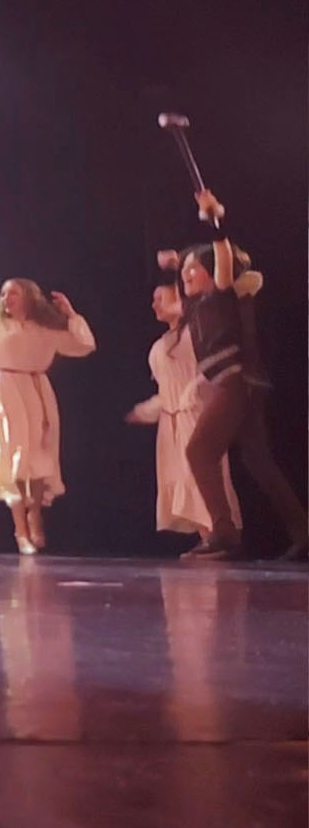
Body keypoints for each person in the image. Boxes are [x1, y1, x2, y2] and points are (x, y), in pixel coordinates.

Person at [173, 189, 305, 560]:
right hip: (239, 383)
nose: (186, 275)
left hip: (234, 382)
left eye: (192, 269)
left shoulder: (220, 292)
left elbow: (223, 256)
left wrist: (214, 219)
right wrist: (175, 260)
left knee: (199, 451)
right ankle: (303, 529)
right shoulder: (198, 305)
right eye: (183, 271)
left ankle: (224, 532)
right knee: (258, 460)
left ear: (211, 270)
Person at [0, 278, 95, 554]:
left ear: (29, 298)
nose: (6, 298)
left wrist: (71, 315)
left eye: (13, 293)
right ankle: (20, 529)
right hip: (8, 391)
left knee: (38, 453)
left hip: (37, 390)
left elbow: (84, 345)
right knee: (14, 452)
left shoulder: (45, 329)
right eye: (3, 294)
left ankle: (34, 512)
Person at [126, 283, 241, 552]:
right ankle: (208, 538)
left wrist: (194, 392)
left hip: (196, 411)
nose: (154, 304)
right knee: (182, 479)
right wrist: (148, 410)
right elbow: (166, 389)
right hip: (172, 421)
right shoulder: (159, 346)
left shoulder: (196, 332)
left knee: (200, 475)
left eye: (160, 298)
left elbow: (207, 371)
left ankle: (220, 536)